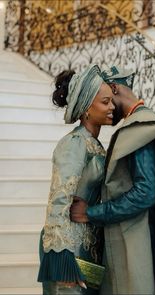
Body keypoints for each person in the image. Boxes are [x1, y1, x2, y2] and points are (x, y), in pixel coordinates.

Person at [70, 66, 155, 295]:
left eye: (106, 99)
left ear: (113, 88)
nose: (109, 108)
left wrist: (92, 213)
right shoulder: (137, 125)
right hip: (135, 235)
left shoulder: (139, 128)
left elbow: (145, 193)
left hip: (138, 240)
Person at [37, 64, 115, 295]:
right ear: (85, 109)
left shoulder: (94, 144)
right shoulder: (74, 144)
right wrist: (62, 263)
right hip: (67, 248)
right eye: (105, 102)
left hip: (88, 245)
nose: (112, 107)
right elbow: (58, 201)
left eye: (111, 100)